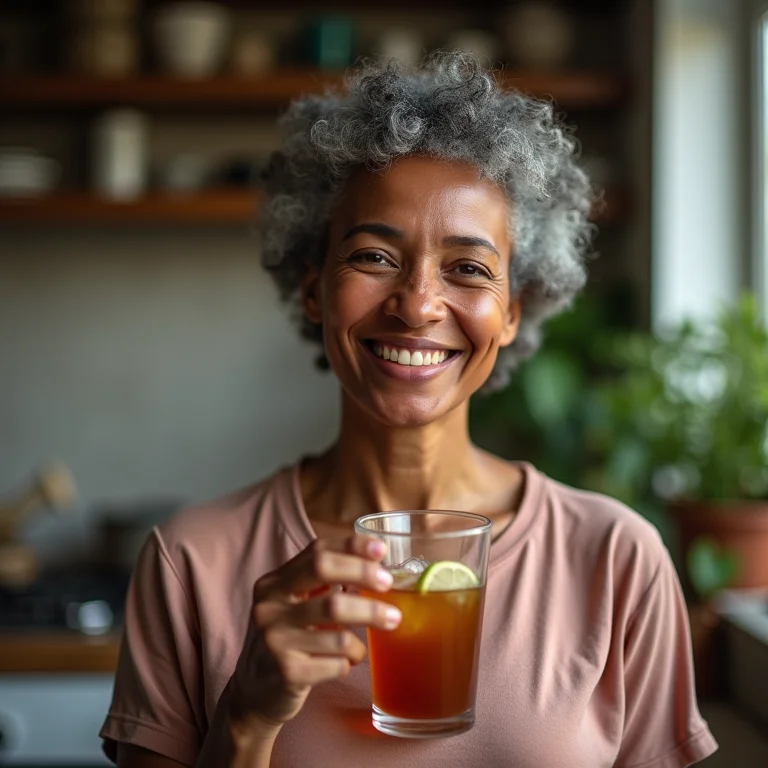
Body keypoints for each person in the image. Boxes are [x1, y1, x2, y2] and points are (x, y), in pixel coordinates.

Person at [100, 53, 718, 768]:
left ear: (512, 312)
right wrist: (244, 720)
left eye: (467, 269)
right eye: (373, 256)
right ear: (314, 290)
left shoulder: (616, 559)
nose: (419, 304)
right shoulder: (191, 563)